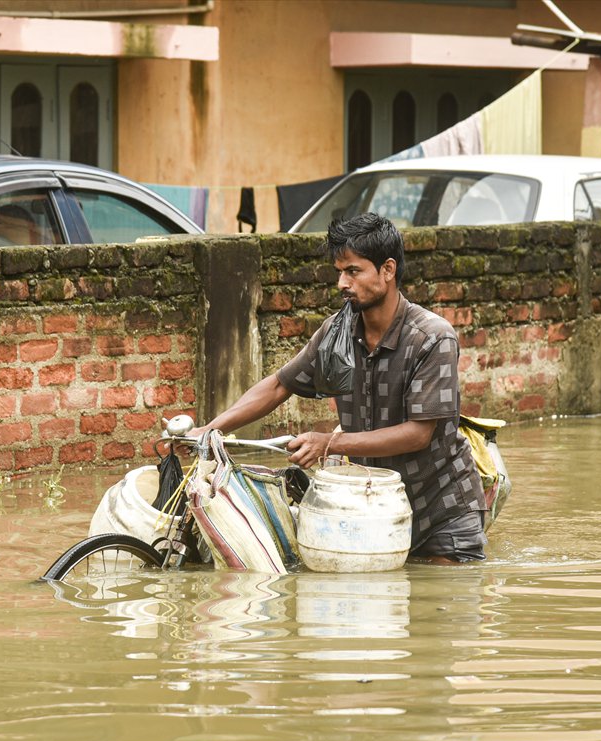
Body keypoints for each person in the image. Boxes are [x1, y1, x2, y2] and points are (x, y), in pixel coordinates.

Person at [192, 212, 488, 563]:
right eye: (339, 272)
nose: (341, 284)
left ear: (388, 270)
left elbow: (418, 434)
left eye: (353, 271)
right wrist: (209, 429)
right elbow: (279, 385)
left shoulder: (432, 337)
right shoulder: (337, 332)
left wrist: (329, 443)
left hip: (441, 510)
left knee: (438, 595)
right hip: (374, 509)